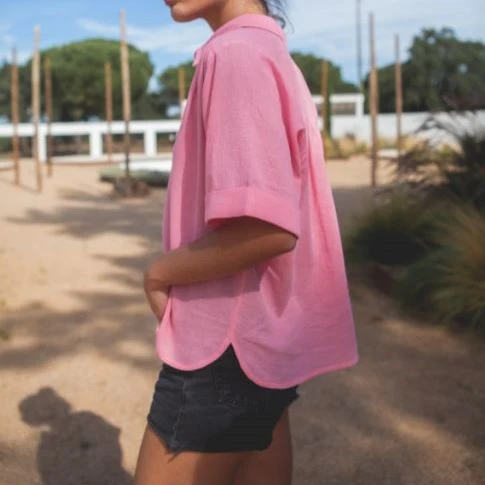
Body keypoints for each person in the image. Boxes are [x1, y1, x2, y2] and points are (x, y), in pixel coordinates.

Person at [135, 1, 359, 484]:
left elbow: (266, 229)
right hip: (263, 341)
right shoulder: (270, 53)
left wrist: (159, 273)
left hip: (224, 344)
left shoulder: (235, 53)